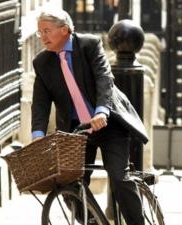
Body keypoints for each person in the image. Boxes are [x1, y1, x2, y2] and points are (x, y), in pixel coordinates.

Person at [31, 8, 148, 225]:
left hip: (109, 122)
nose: (42, 37)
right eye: (40, 32)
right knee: (69, 186)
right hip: (77, 131)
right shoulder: (42, 62)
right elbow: (40, 103)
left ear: (64, 29)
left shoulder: (89, 45)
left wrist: (101, 111)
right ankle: (94, 222)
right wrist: (37, 134)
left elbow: (104, 79)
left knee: (119, 178)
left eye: (46, 31)